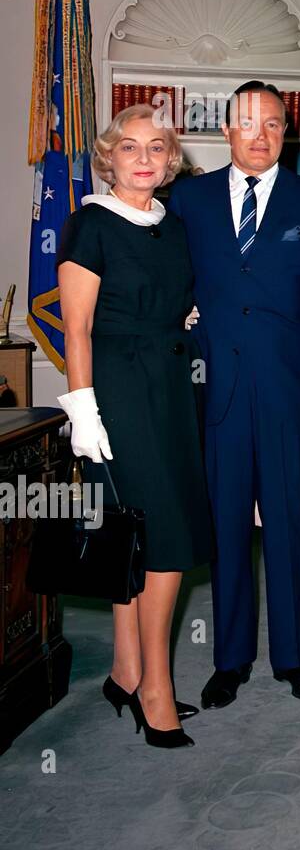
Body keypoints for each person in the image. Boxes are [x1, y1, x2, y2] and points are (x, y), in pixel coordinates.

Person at [168, 80, 300, 707]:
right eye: (249, 123)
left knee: (286, 521)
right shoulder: (187, 200)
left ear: (287, 132)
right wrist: (179, 317)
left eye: (275, 125)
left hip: (285, 391)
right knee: (225, 528)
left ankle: (293, 657)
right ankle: (230, 658)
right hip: (213, 389)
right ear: (227, 129)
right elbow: (165, 279)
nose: (262, 135)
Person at [56, 104, 211, 747]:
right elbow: (78, 328)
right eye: (128, 147)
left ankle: (124, 669)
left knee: (138, 533)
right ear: (108, 158)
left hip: (173, 390)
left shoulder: (171, 227)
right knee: (163, 538)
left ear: (170, 160)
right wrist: (83, 410)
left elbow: (172, 299)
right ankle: (155, 688)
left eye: (156, 148)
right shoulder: (90, 223)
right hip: (118, 393)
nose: (143, 158)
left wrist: (186, 316)